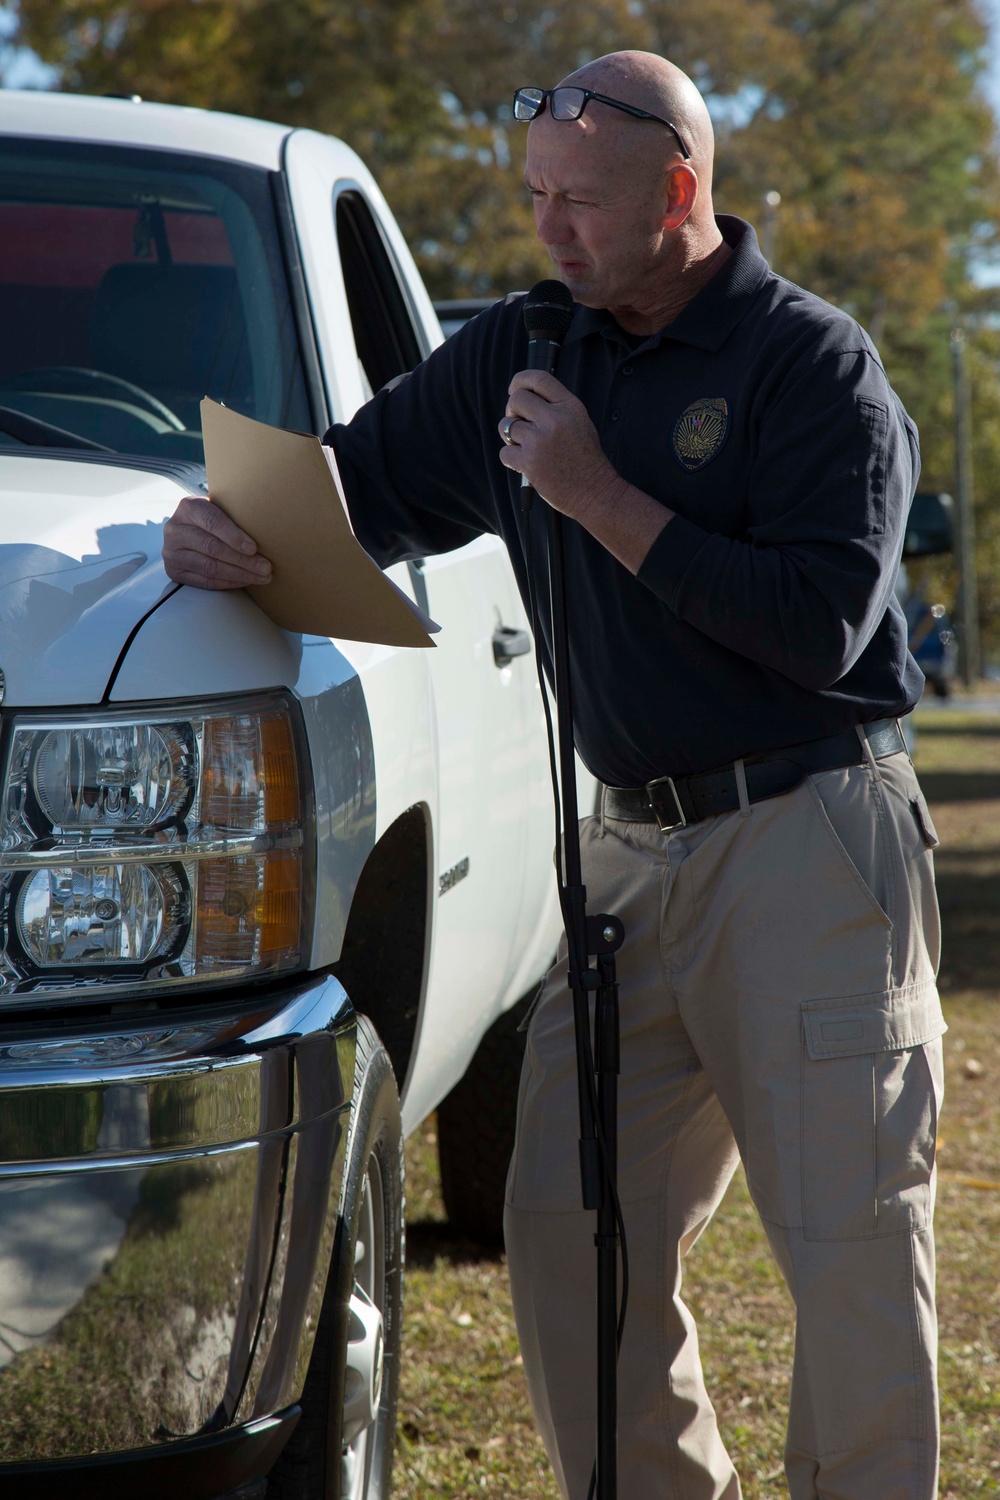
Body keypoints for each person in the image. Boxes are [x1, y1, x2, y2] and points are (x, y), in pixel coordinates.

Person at [164, 51, 944, 1500]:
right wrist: (230, 533)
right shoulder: (528, 349)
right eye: (535, 198)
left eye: (580, 202)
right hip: (628, 865)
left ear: (681, 188)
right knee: (572, 1227)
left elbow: (816, 623)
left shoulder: (812, 363)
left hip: (810, 840)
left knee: (849, 1251)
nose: (550, 231)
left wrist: (596, 493)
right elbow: (355, 487)